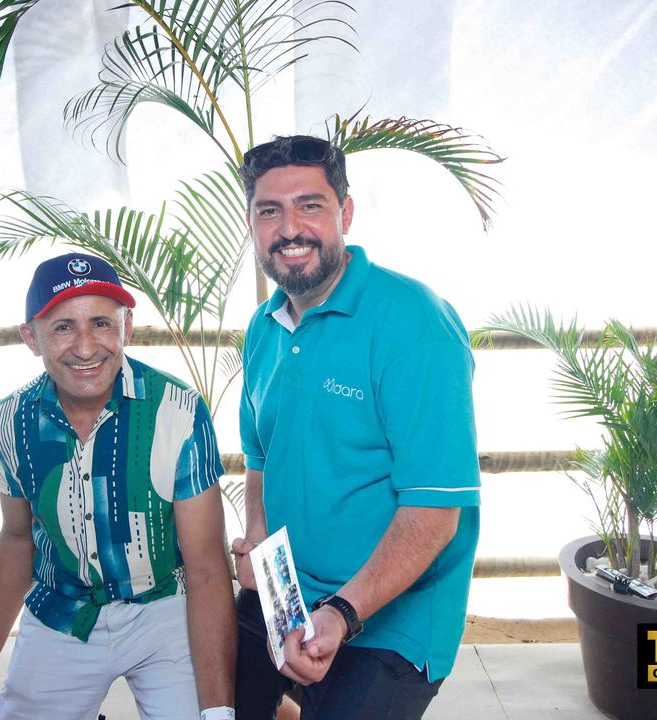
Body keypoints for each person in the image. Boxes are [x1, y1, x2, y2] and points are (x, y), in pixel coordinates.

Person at [230, 136, 481, 720]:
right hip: (291, 595)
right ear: (252, 225)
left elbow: (435, 510)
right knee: (209, 697)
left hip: (390, 620)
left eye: (310, 206)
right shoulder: (264, 328)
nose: (290, 228)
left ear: (345, 212)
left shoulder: (415, 324)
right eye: (270, 211)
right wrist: (258, 544)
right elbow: (259, 455)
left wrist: (341, 613)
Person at [0, 252, 237, 720]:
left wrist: (219, 712)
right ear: (31, 338)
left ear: (127, 328)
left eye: (101, 323)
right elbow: (17, 538)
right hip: (61, 611)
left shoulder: (179, 410)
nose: (86, 347)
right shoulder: (9, 422)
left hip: (163, 606)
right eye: (63, 327)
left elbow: (207, 567)